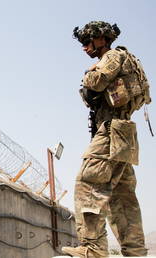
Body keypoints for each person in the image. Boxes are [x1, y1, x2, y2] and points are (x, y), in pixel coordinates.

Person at [62, 21, 151, 257]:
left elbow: (96, 82)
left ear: (101, 38)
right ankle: (135, 250)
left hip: (111, 130)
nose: (84, 47)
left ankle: (92, 248)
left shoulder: (112, 56)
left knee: (88, 183)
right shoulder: (125, 57)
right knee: (123, 197)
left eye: (86, 41)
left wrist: (88, 75)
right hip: (125, 134)